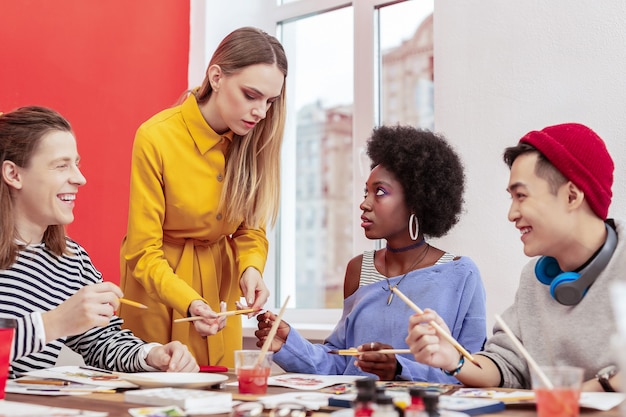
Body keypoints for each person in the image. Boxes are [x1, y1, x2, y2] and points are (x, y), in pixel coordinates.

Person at [255, 125, 487, 381]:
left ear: (417, 200)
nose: (364, 203)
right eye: (367, 191)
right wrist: (288, 343)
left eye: (380, 192)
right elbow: (340, 362)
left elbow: (473, 371)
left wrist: (400, 369)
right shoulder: (358, 269)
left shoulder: (460, 274)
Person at [406, 122, 623, 392]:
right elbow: (506, 366)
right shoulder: (535, 277)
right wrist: (454, 358)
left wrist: (583, 392)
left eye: (521, 196)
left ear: (571, 195)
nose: (512, 214)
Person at [118, 26, 288, 367]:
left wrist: (251, 268)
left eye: (270, 101)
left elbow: (250, 229)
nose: (261, 112)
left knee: (219, 395)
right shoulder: (156, 137)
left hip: (220, 293)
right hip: (159, 290)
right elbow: (142, 251)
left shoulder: (255, 141)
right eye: (251, 95)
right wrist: (189, 301)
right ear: (216, 77)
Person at [0, 106, 199, 378]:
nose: (79, 178)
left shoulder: (72, 261)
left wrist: (151, 355)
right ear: (13, 174)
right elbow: (52, 326)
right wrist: (53, 323)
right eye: (61, 166)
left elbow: (101, 341)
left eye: (76, 164)